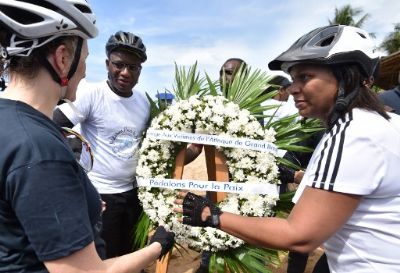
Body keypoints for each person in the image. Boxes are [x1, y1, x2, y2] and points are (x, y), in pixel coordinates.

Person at [175, 25, 400, 273]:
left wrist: (211, 215)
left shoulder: (354, 134)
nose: (292, 88)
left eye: (305, 77)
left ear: (346, 76)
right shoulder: (381, 122)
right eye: (293, 79)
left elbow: (299, 236)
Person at [0, 1, 174, 272]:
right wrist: (158, 245)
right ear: (62, 58)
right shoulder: (42, 152)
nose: (84, 69)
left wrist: (77, 187)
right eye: (85, 58)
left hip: (127, 192)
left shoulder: (10, 121)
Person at [53, 30, 153, 259]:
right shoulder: (92, 93)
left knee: (132, 253)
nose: (125, 72)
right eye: (119, 65)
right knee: (104, 258)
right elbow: (53, 125)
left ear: (140, 70)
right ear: (108, 63)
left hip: (133, 194)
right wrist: (77, 183)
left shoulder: (143, 102)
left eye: (133, 67)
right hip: (101, 195)